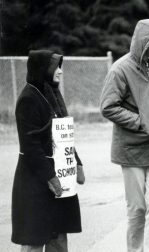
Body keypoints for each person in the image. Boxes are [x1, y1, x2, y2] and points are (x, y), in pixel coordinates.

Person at [100, 19, 149, 252]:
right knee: (137, 210)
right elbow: (107, 106)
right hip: (131, 150)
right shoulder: (120, 69)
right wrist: (141, 123)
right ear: (144, 41)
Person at [12, 50, 85, 252]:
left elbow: (64, 134)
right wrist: (50, 177)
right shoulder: (28, 98)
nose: (60, 72)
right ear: (43, 69)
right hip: (36, 178)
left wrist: (76, 162)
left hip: (59, 175)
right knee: (34, 239)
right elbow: (30, 145)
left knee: (58, 237)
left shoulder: (53, 94)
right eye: (56, 67)